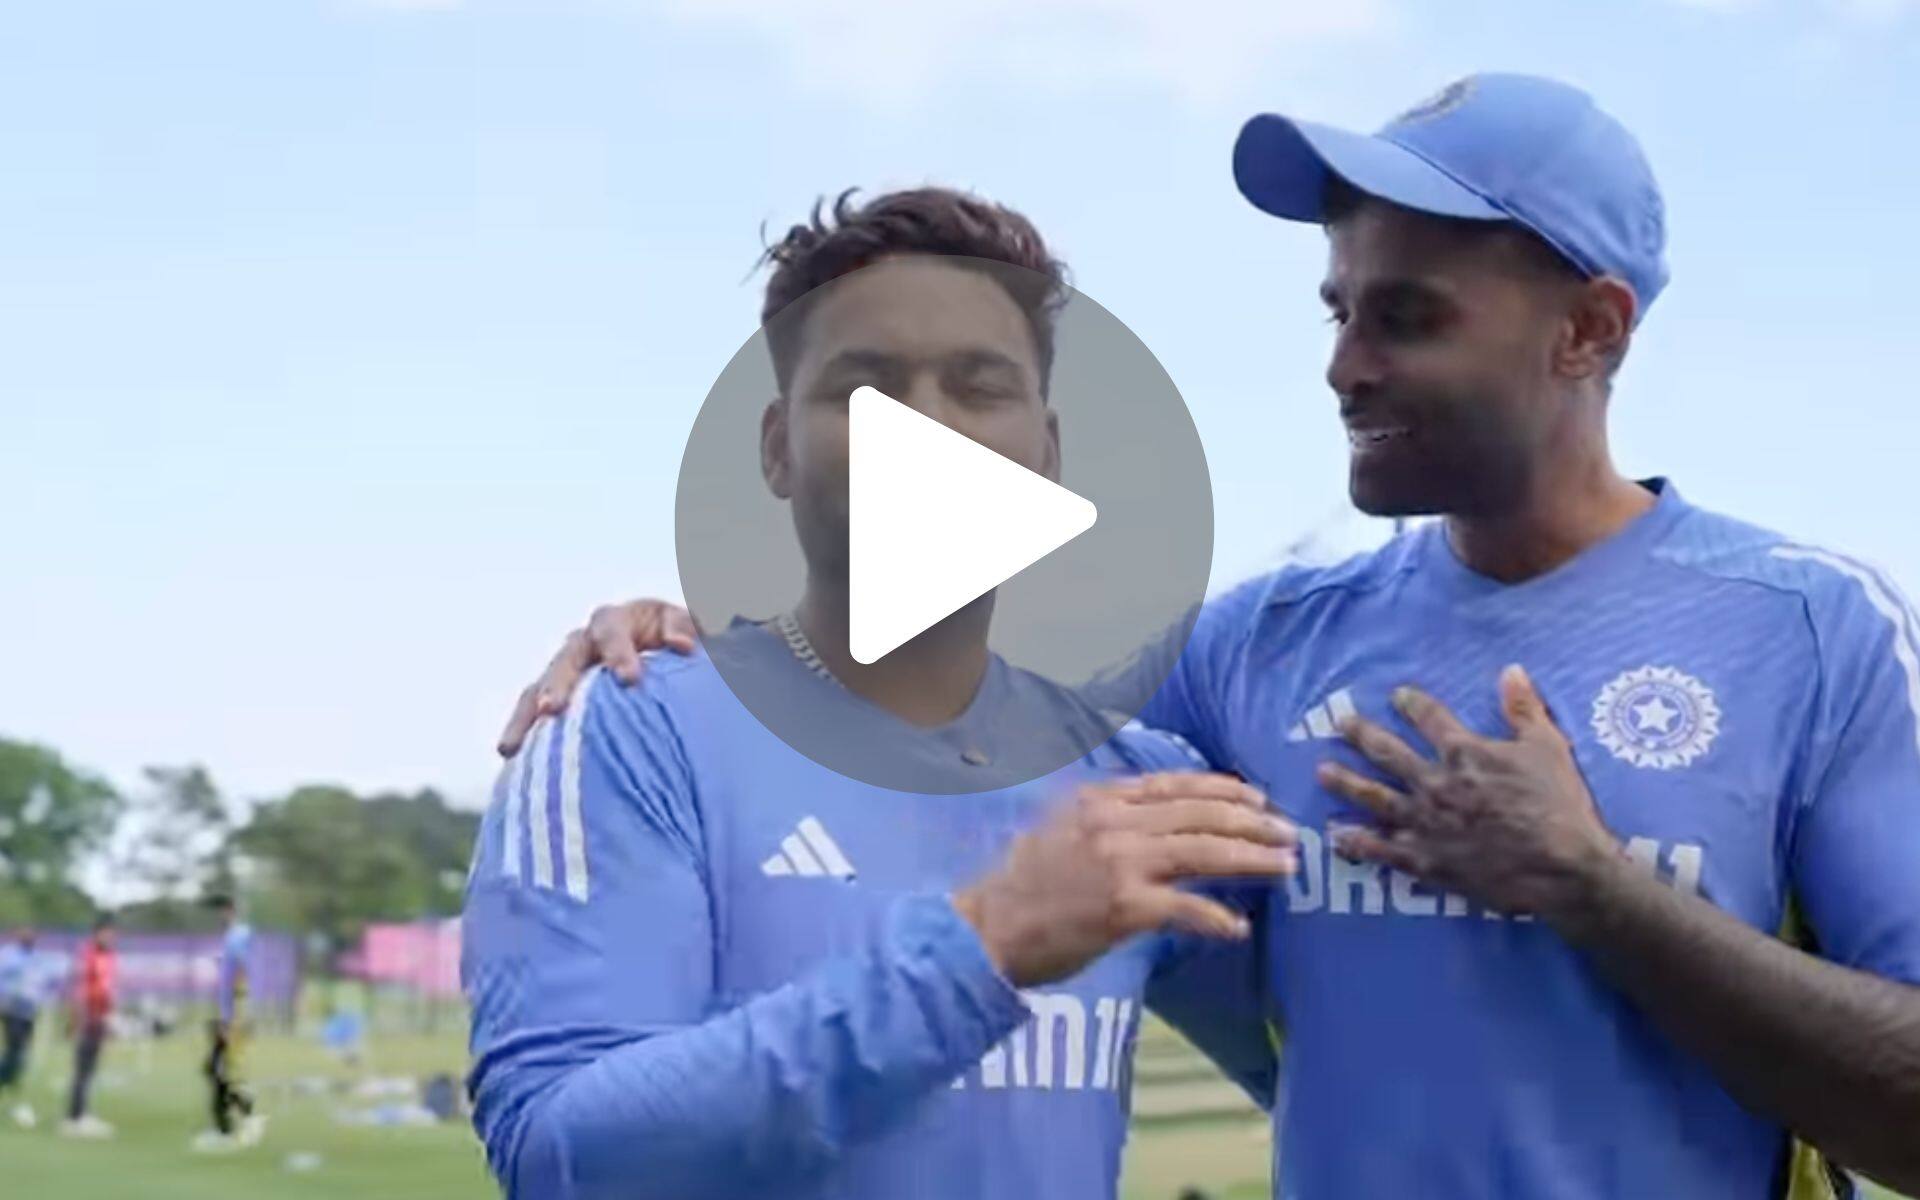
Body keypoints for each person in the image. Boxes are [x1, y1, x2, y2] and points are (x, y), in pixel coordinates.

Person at [505, 75, 1920, 1198]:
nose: (1344, 363)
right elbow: (941, 705)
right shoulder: (1252, 653)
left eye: (1407, 317)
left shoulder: (1810, 631)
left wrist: (1595, 887)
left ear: (1587, 332)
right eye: (1339, 307)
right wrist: (685, 645)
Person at [461, 188, 1300, 1200]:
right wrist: (980, 951)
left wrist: (1553, 873)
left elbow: (1351, 1071)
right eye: (866, 389)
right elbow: (561, 1159)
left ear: (1047, 454)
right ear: (776, 447)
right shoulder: (634, 731)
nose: (925, 431)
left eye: (980, 387)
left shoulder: (1134, 786)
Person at [192, 894, 263, 1151]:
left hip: (235, 1016)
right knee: (217, 1071)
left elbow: (244, 973)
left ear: (229, 911)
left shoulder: (238, 937)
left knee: (222, 1071)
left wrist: (233, 1018)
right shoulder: (232, 938)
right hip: (230, 1014)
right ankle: (229, 1125)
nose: (217, 917)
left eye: (219, 911)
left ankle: (242, 1121)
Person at [61, 912, 117, 1139]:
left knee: (91, 1068)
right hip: (88, 1017)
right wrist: (77, 1017)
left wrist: (109, 1015)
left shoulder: (110, 956)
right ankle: (75, 1118)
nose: (111, 936)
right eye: (106, 932)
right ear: (97, 933)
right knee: (82, 1068)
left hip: (101, 1017)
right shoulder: (88, 954)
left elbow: (108, 989)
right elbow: (80, 989)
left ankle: (82, 1113)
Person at [0, 927, 50, 1128]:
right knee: (15, 1051)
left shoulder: (36, 958)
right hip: (12, 1010)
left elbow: (40, 982)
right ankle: (9, 1084)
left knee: (20, 1053)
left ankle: (11, 1085)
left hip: (28, 1011)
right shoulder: (9, 956)